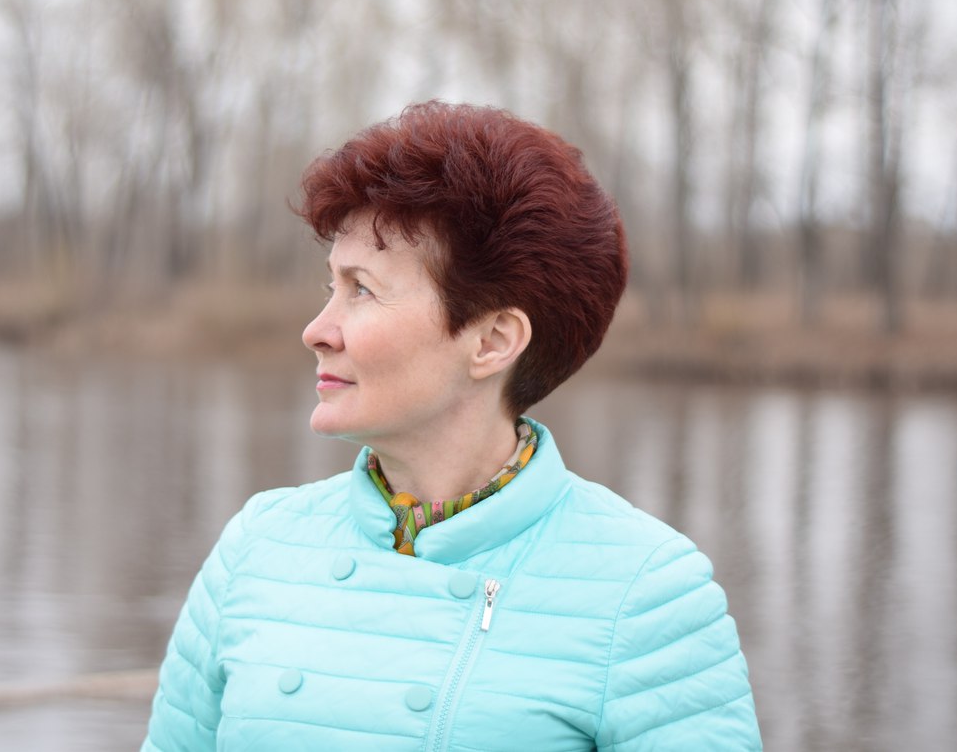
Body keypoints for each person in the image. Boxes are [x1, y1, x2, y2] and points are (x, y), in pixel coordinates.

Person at [142, 101, 761, 750]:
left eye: (362, 289)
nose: (317, 331)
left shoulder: (647, 592)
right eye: (330, 287)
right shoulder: (258, 548)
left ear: (492, 341)